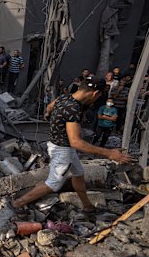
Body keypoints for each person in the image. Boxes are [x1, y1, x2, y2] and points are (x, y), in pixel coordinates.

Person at [13, 79, 132, 210]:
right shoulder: (73, 108)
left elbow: (49, 107)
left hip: (58, 145)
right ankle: (18, 203)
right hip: (62, 150)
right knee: (53, 184)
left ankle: (87, 206)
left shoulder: (65, 97)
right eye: (98, 97)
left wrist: (49, 116)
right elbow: (76, 142)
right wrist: (110, 153)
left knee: (78, 173)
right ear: (95, 93)